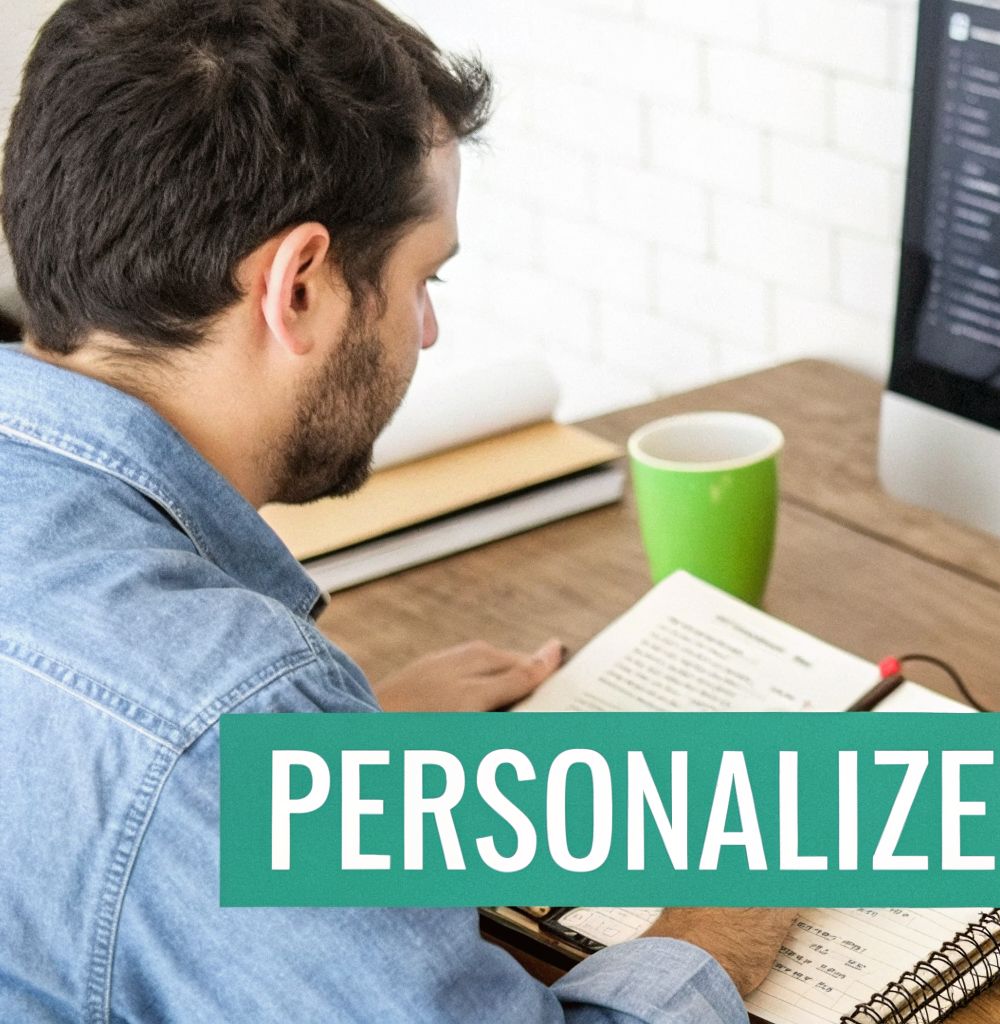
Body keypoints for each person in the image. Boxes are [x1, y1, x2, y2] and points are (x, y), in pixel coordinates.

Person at [0, 1, 793, 1020]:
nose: (425, 329)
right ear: (298, 287)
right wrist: (715, 931)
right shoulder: (228, 722)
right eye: (425, 275)